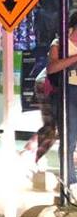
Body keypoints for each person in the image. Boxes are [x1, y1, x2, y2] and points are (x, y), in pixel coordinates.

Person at [23, 12, 77, 168]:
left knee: (61, 129)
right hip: (47, 86)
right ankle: (27, 157)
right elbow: (52, 68)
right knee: (51, 130)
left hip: (67, 88)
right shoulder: (61, 42)